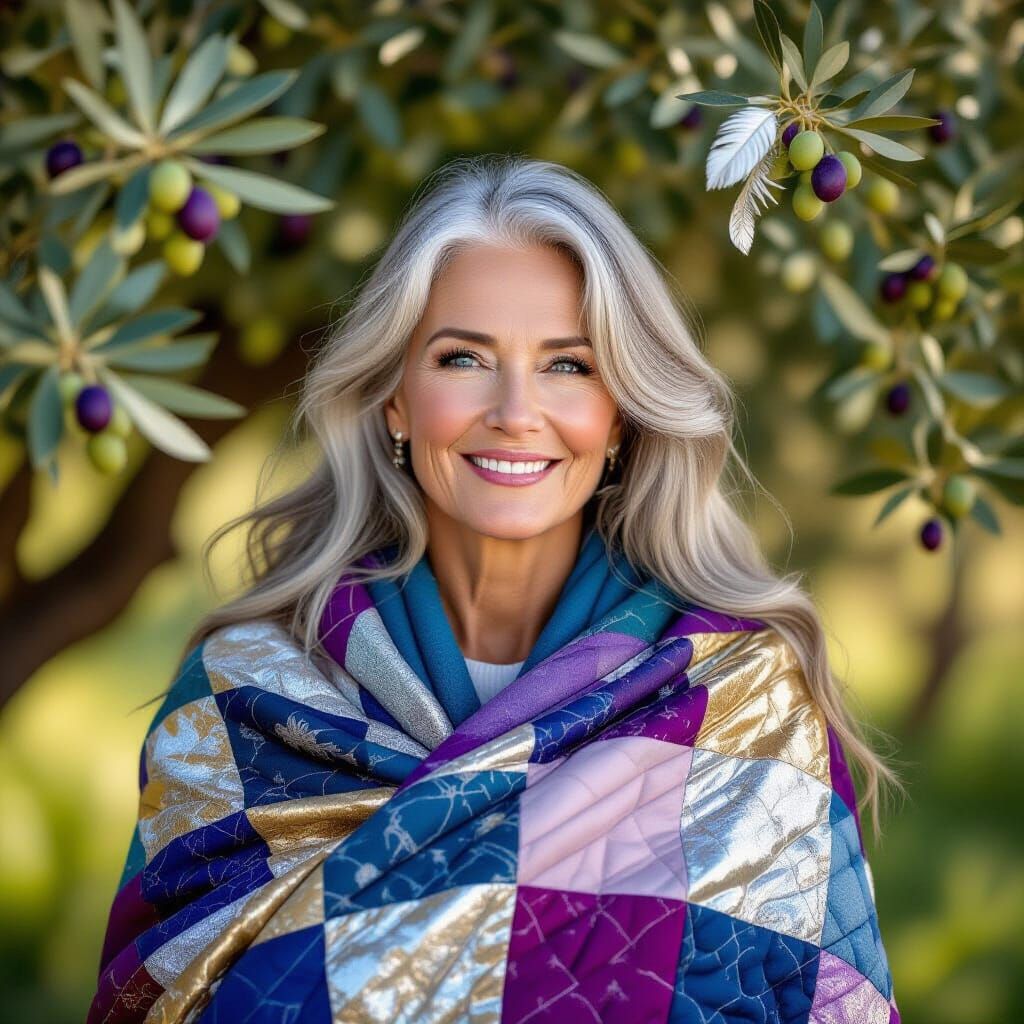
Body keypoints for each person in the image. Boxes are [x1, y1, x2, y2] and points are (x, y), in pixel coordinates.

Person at [89, 154, 902, 1023]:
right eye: (464, 357)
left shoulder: (741, 698)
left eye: (569, 366)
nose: (516, 410)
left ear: (621, 413)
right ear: (395, 399)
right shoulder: (242, 696)